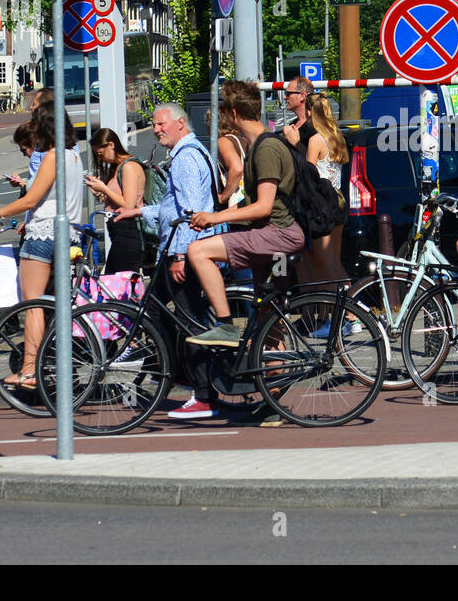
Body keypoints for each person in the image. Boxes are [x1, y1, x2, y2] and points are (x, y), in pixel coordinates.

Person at [111, 103, 217, 418]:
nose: (156, 130)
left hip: (182, 252)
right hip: (176, 250)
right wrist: (138, 211)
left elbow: (189, 212)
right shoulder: (192, 153)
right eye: (155, 125)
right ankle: (179, 371)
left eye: (160, 124)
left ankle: (202, 394)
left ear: (180, 124)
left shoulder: (185, 159)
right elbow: (172, 208)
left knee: (190, 321)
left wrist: (181, 255)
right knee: (156, 311)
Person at [182, 80, 306, 346]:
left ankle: (225, 325)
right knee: (267, 312)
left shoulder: (266, 148)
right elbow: (249, 201)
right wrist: (212, 214)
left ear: (234, 113)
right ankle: (273, 380)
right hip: (276, 236)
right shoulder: (257, 146)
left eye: (224, 109)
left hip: (277, 235)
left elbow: (263, 205)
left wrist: (216, 218)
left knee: (197, 251)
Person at [0, 104, 84, 388]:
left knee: (32, 304)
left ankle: (30, 369)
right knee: (55, 305)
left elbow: (31, 200)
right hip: (69, 234)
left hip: (44, 234)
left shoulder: (53, 157)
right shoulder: (74, 156)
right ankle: (58, 363)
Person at [84, 127, 147, 274]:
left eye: (100, 153)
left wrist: (104, 189)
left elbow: (128, 205)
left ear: (111, 145)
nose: (99, 159)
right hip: (119, 232)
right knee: (113, 284)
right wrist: (100, 194)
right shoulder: (118, 168)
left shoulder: (129, 167)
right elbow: (117, 200)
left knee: (120, 285)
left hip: (129, 232)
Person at [302, 91, 348, 285]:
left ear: (310, 113)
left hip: (322, 202)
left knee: (324, 262)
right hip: (338, 199)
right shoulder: (336, 136)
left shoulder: (315, 140)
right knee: (335, 261)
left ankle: (342, 310)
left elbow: (309, 173)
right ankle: (351, 304)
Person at [280, 75, 315, 155]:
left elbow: (317, 162)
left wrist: (296, 143)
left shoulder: (315, 125)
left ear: (302, 96)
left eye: (288, 93)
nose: (285, 97)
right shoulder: (293, 124)